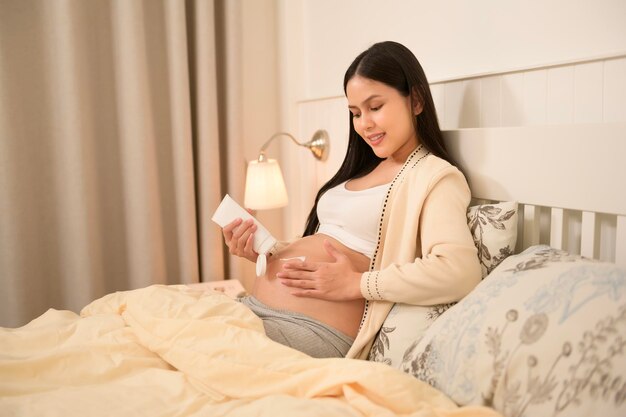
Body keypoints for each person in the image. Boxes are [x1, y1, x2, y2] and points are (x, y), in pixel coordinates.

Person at [222, 41, 481, 359]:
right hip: (254, 309)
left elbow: (459, 271)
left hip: (310, 331)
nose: (364, 124)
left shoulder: (434, 177)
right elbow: (334, 241)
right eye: (356, 113)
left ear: (415, 100)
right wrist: (264, 250)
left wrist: (358, 284)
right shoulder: (359, 171)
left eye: (375, 107)